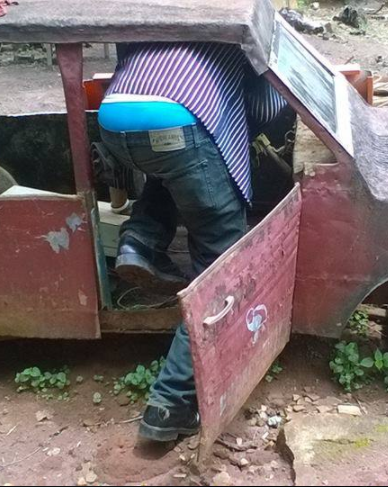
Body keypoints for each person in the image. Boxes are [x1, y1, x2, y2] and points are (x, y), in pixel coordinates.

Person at [97, 42, 289, 442]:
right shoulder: (240, 33)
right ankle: (170, 406)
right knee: (222, 265)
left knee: (175, 171)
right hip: (179, 122)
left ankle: (140, 242)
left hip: (115, 119)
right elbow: (267, 109)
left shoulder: (176, 19)